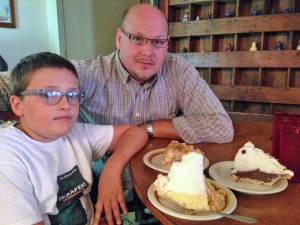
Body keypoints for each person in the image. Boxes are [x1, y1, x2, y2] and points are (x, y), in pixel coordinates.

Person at [71, 2, 234, 207]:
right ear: (120, 38)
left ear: (167, 44)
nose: (148, 51)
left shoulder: (179, 71)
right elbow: (38, 100)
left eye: (158, 42)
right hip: (101, 188)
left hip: (163, 192)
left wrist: (149, 128)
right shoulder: (88, 74)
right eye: (137, 38)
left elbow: (221, 127)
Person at [0, 52, 148, 225]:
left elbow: (136, 133)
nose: (66, 105)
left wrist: (112, 168)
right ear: (18, 105)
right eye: (49, 94)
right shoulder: (7, 159)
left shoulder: (76, 133)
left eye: (72, 95)